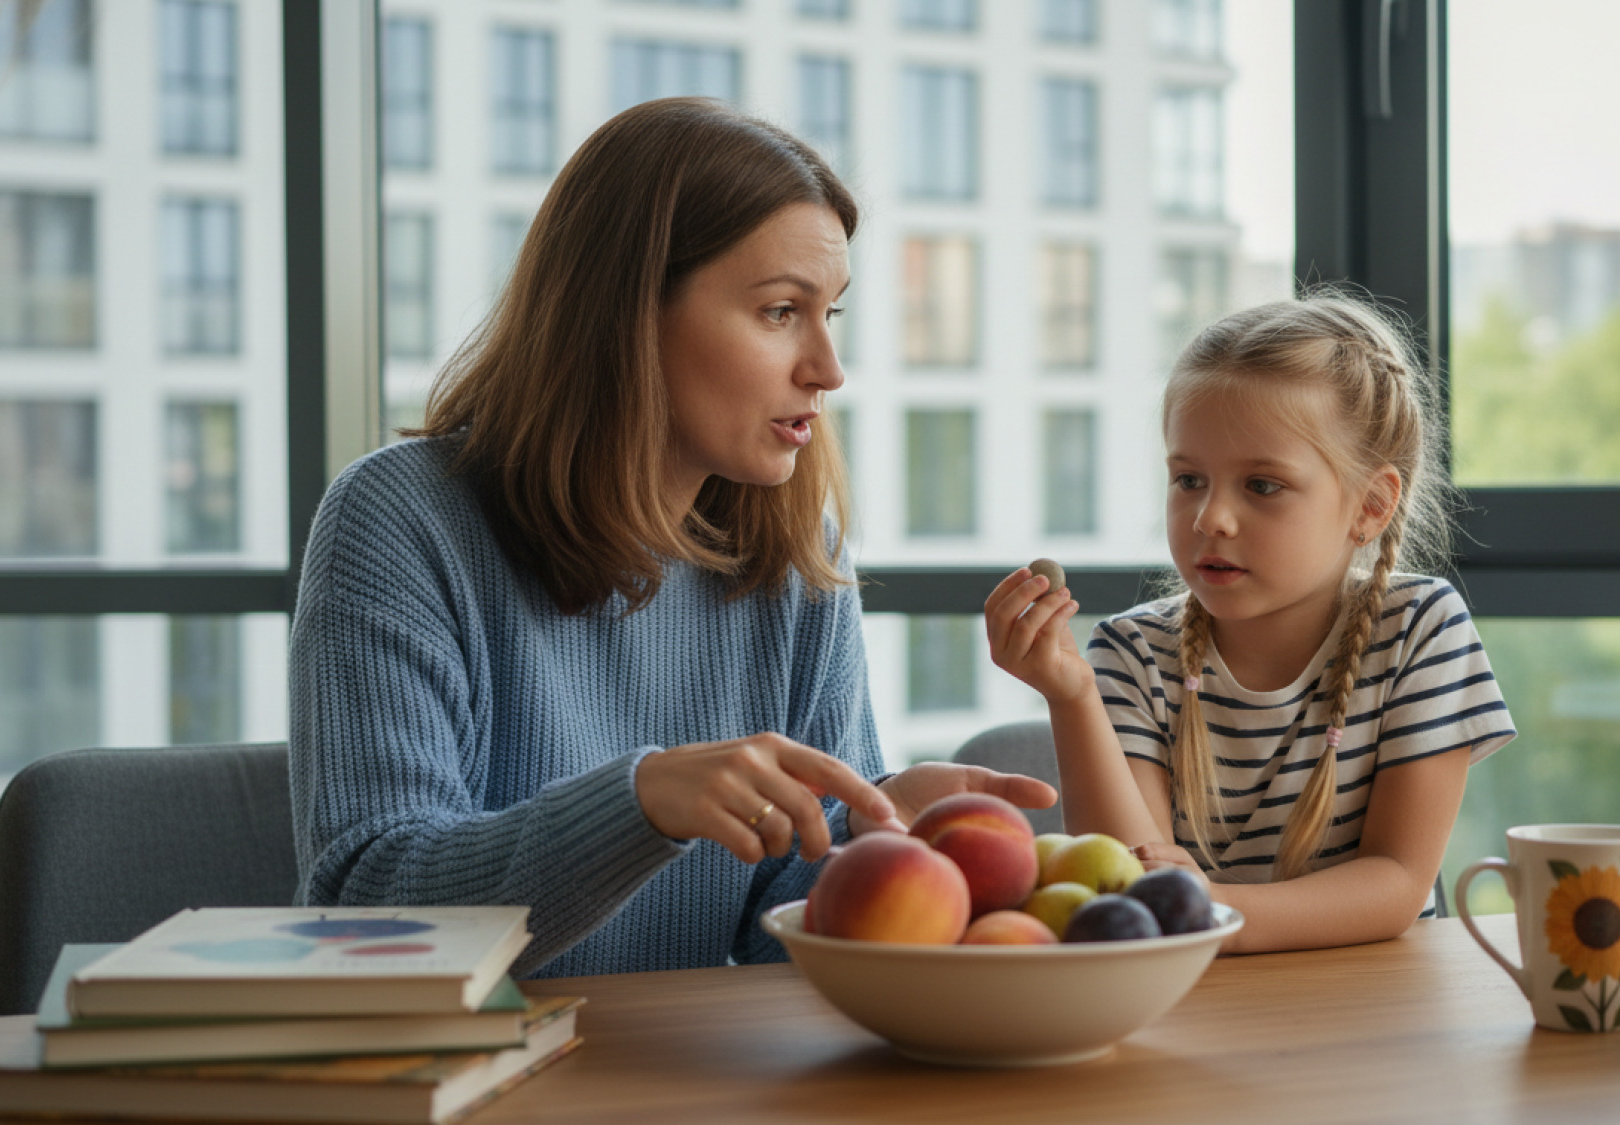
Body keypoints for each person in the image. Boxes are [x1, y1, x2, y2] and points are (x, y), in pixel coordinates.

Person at [290, 98, 1053, 979]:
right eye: (778, 312)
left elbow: (772, 925)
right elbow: (368, 905)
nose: (827, 369)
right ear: (628, 313)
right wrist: (641, 803)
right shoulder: (398, 522)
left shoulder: (798, 552)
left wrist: (863, 842)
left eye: (830, 313)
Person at [984, 292, 1514, 954]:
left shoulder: (1420, 630)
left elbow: (1397, 882)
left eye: (1262, 485)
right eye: (1188, 479)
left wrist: (1210, 908)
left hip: (1379, 1014)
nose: (1211, 518)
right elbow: (1127, 889)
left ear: (1370, 507)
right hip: (1196, 1010)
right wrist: (1073, 694)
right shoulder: (1131, 652)